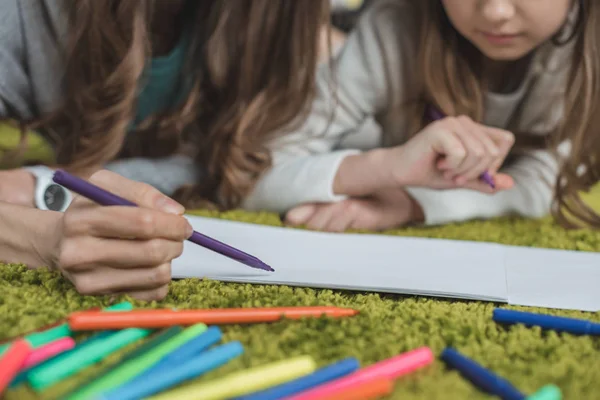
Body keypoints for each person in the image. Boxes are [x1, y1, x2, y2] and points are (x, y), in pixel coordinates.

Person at [0, 0, 328, 299]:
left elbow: (246, 156)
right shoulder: (20, 14)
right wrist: (45, 239)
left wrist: (48, 185)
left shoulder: (277, 22)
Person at [243, 0, 600, 232]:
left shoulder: (582, 52)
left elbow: (547, 179)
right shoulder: (394, 26)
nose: (495, 11)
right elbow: (249, 170)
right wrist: (386, 167)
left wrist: (411, 202)